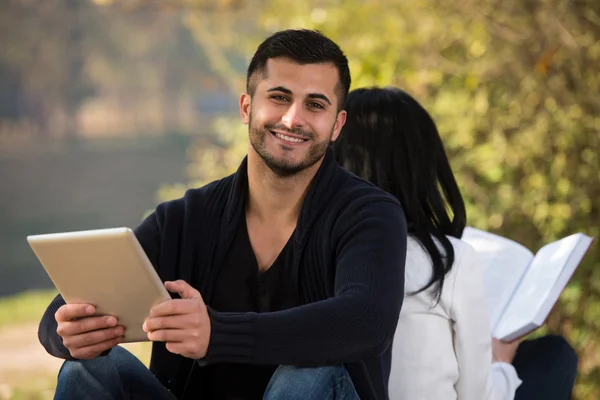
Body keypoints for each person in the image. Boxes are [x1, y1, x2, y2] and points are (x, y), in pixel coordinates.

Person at [37, 30, 408, 400]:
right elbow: (63, 309)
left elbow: (366, 321)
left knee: (310, 374)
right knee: (86, 368)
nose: (293, 119)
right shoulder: (184, 219)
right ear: (246, 107)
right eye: (279, 98)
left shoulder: (370, 214)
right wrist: (66, 333)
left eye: (315, 104)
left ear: (337, 124)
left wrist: (217, 335)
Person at [333, 86, 579, 400]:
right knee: (554, 355)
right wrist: (501, 356)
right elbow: (478, 395)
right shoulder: (448, 260)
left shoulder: (311, 253)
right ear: (423, 169)